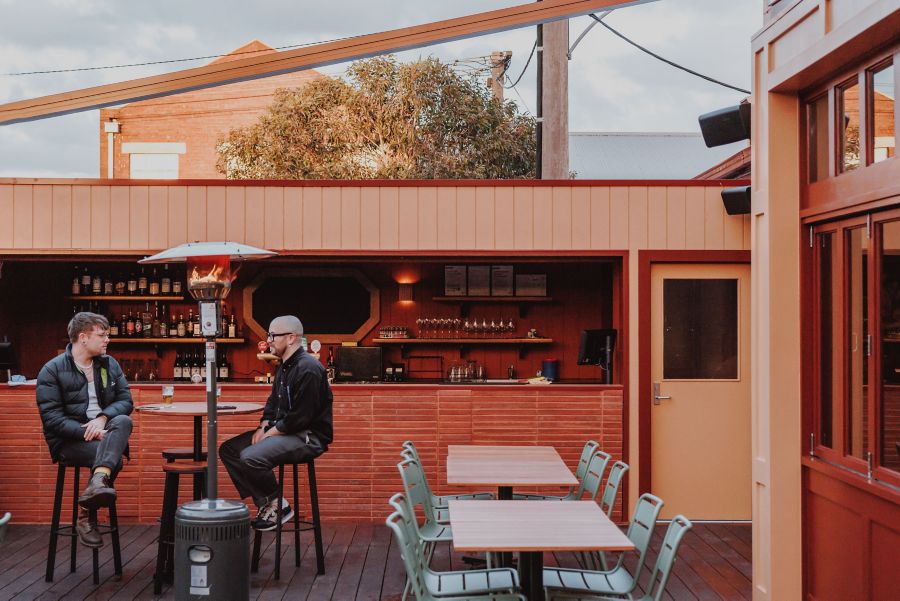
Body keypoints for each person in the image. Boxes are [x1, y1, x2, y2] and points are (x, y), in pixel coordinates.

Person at [221, 315, 333, 531]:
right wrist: (263, 425)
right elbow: (273, 403)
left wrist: (271, 433)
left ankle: (278, 505)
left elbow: (302, 417)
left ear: (291, 338)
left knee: (251, 457)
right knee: (230, 450)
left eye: (273, 335)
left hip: (308, 436)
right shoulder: (283, 366)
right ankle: (269, 504)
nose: (269, 340)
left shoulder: (308, 368)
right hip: (286, 431)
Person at [36, 312, 134, 548]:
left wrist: (102, 419)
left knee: (123, 421)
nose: (107, 340)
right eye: (101, 335)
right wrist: (87, 432)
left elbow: (126, 400)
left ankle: (93, 492)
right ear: (82, 337)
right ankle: (86, 513)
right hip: (68, 441)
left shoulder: (109, 364)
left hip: (105, 434)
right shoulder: (52, 370)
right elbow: (52, 419)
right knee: (114, 459)